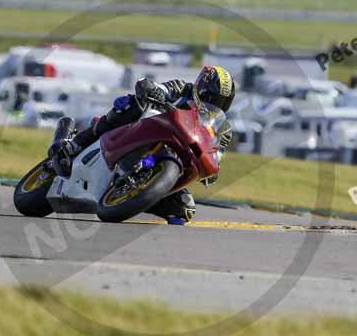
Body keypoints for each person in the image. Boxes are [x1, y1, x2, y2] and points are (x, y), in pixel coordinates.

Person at [48, 65, 236, 223]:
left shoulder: (222, 129)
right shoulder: (181, 88)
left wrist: (211, 172)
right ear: (200, 88)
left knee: (184, 209)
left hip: (177, 156)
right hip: (145, 129)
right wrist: (153, 90)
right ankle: (77, 143)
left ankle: (134, 196)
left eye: (222, 101)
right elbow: (155, 87)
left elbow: (217, 154)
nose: (215, 103)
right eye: (211, 97)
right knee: (130, 104)